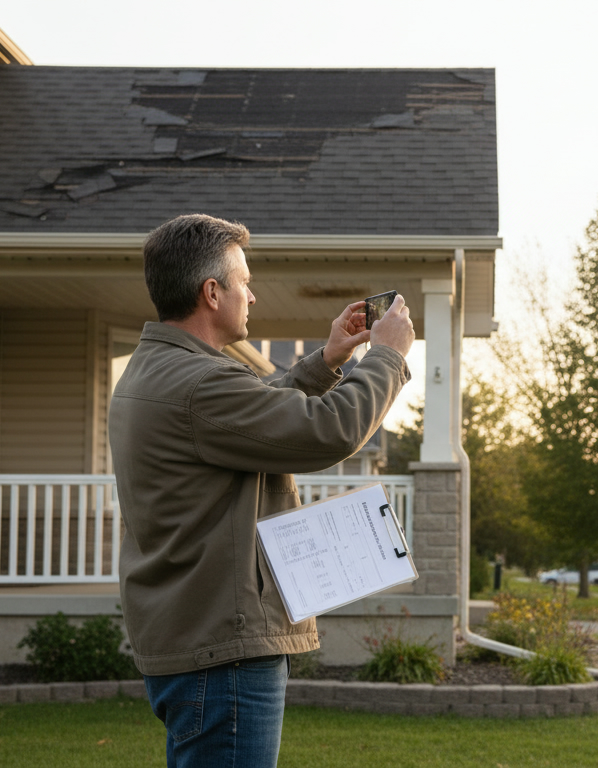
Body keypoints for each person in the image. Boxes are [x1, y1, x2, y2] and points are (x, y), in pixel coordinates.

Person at [109, 213, 414, 767]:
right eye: (244, 282)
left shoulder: (161, 372)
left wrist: (326, 362)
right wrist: (388, 356)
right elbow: (331, 431)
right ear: (211, 292)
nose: (252, 295)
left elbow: (246, 412)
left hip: (195, 637)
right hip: (222, 649)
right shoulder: (199, 382)